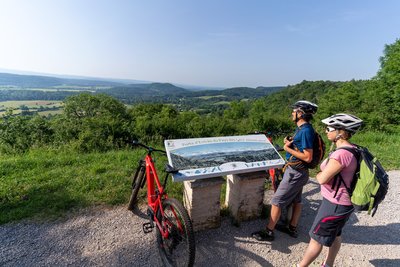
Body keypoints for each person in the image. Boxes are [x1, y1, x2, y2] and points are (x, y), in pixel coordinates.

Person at [295, 113, 363, 267]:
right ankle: (328, 264)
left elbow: (321, 179)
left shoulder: (341, 154)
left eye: (328, 128)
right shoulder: (353, 149)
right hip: (343, 203)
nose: (326, 131)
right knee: (335, 233)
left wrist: (318, 173)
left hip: (335, 204)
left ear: (340, 132)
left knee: (316, 238)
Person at [252, 100, 318, 241]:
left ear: (300, 114)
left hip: (295, 172)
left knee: (276, 201)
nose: (291, 113)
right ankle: (292, 227)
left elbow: (308, 156)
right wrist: (290, 142)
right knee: (297, 199)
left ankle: (269, 231)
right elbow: (301, 146)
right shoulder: (304, 128)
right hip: (299, 172)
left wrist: (287, 148)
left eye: (294, 111)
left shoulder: (305, 131)